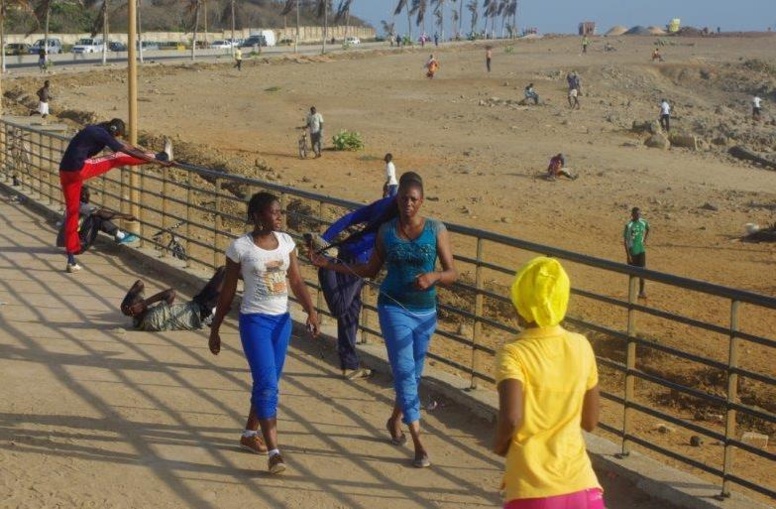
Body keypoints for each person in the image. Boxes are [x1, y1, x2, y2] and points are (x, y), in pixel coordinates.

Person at [310, 172, 457, 469]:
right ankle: (418, 443)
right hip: (393, 308)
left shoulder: (436, 229)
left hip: (426, 313)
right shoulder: (386, 232)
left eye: (414, 199)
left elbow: (453, 272)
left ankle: (394, 420)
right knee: (404, 373)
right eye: (403, 198)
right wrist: (330, 263)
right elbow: (369, 271)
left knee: (414, 375)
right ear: (396, 199)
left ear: (422, 200)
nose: (408, 204)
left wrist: (435, 277)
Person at [208, 192, 320, 475]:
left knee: (267, 383)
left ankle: (249, 434)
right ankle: (275, 452)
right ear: (258, 216)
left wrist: (311, 310)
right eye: (274, 212)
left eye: (280, 212)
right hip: (254, 322)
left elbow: (295, 280)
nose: (280, 217)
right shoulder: (240, 248)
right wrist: (216, 327)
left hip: (281, 322)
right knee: (268, 384)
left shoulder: (286, 242)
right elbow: (229, 291)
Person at [494, 256, 603, 509]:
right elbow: (590, 422)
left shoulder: (513, 352)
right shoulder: (582, 345)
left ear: (519, 301)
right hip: (582, 484)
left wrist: (500, 445)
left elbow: (511, 418)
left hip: (533, 487)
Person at [58, 119, 174, 273]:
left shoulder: (96, 129)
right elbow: (125, 151)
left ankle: (71, 260)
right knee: (116, 158)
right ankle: (163, 156)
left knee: (72, 213)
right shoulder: (102, 135)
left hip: (65, 173)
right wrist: (156, 161)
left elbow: (126, 146)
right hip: (79, 170)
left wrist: (145, 153)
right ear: (113, 131)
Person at [120, 266, 226, 332]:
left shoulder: (138, 317)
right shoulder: (152, 319)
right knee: (226, 273)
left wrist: (124, 307)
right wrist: (144, 303)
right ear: (138, 309)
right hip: (200, 315)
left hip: (194, 305)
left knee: (222, 269)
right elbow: (170, 293)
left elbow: (139, 284)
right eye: (140, 300)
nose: (143, 300)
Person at [55, 185, 139, 252]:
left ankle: (119, 234)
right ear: (84, 196)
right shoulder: (82, 206)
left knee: (95, 216)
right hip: (78, 246)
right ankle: (120, 235)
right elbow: (102, 213)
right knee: (97, 217)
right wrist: (124, 216)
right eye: (88, 195)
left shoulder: (71, 206)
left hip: (66, 245)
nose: (89, 198)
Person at [624, 207, 650, 299]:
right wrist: (628, 256)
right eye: (636, 214)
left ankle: (642, 292)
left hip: (641, 250)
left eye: (639, 214)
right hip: (633, 252)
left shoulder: (643, 222)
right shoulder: (629, 225)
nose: (638, 215)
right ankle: (632, 292)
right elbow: (626, 241)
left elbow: (648, 229)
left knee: (642, 271)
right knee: (633, 273)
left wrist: (645, 240)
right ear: (632, 215)